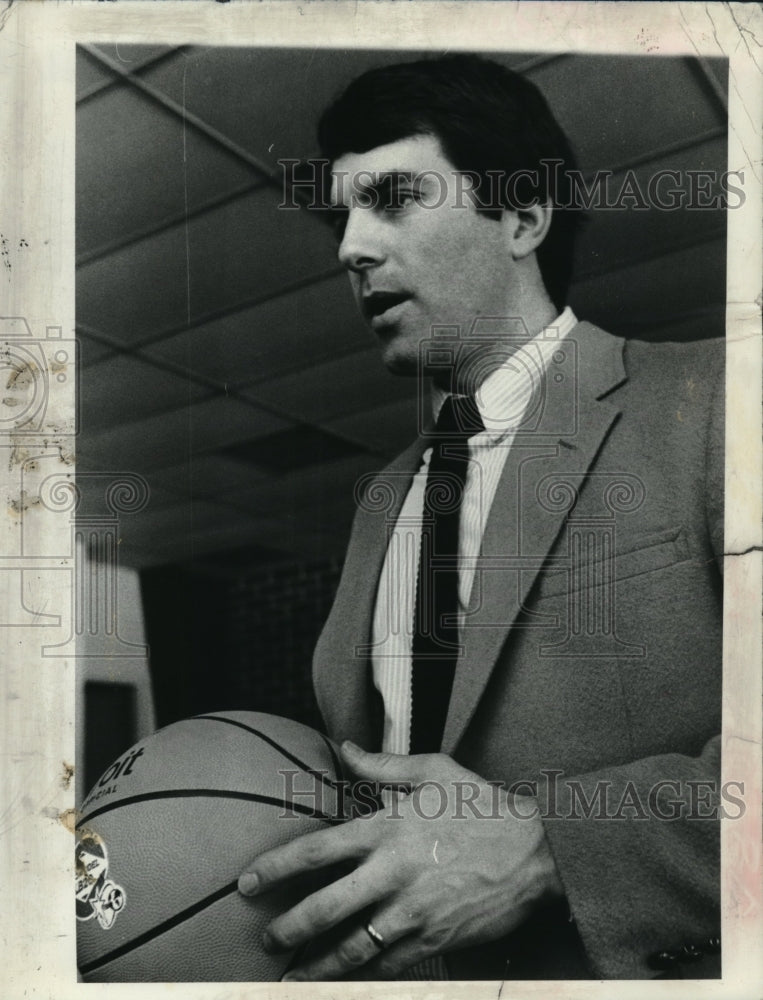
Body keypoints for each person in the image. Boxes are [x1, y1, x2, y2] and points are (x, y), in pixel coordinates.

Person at [238, 54, 724, 981]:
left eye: (391, 199)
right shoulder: (381, 505)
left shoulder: (718, 399)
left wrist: (551, 851)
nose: (349, 249)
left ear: (522, 216)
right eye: (341, 218)